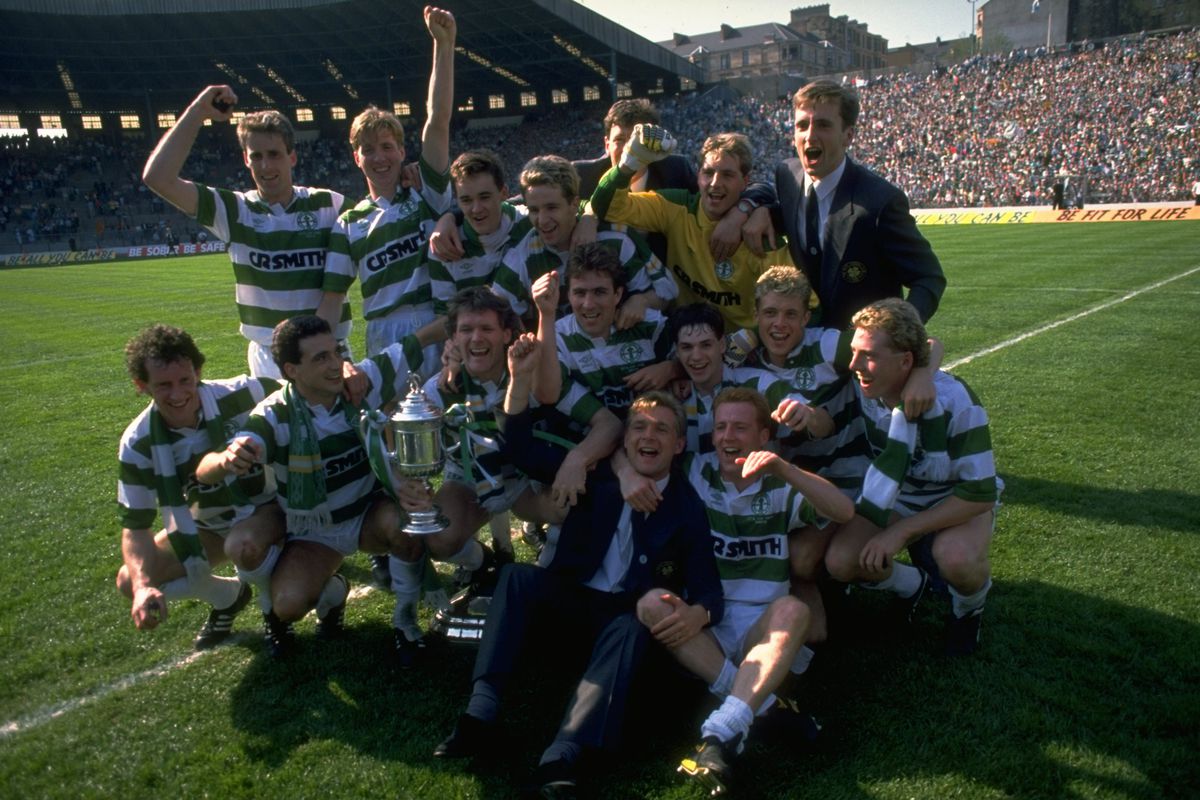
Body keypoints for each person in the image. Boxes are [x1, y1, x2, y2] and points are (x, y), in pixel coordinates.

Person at [432, 371, 723, 799]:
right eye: (639, 427)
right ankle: (480, 714)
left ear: (679, 445)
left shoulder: (686, 506)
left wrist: (698, 613)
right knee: (516, 577)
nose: (648, 436)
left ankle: (563, 754)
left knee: (631, 624)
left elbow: (709, 589)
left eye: (662, 430)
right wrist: (518, 378)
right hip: (573, 601)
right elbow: (520, 448)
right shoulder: (595, 473)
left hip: (625, 622)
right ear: (625, 440)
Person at [619, 388, 853, 795]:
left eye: (740, 428)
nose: (728, 436)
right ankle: (763, 709)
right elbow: (630, 448)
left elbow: (843, 511)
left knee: (794, 610)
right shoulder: (696, 470)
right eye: (721, 427)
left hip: (760, 629)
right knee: (652, 604)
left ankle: (721, 729)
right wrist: (625, 474)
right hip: (705, 623)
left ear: (763, 436)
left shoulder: (780, 483)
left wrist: (784, 468)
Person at [197, 315, 431, 659]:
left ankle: (406, 623)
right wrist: (226, 459)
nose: (336, 364)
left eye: (336, 352)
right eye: (321, 358)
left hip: (366, 514)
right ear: (292, 370)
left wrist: (458, 330)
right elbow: (205, 471)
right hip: (313, 530)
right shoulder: (275, 414)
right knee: (288, 606)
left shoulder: (358, 383)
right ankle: (333, 592)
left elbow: (414, 342)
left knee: (408, 523)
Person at [413, 287, 624, 657]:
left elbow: (608, 424)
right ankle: (483, 563)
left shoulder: (538, 372)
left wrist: (576, 460)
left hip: (527, 480)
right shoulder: (440, 387)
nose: (476, 338)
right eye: (466, 330)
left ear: (507, 334)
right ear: (453, 339)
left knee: (570, 504)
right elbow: (405, 444)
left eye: (486, 329)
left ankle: (552, 576)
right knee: (439, 536)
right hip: (470, 482)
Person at [821, 299, 1000, 656]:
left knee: (956, 558)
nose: (854, 365)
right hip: (898, 495)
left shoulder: (955, 400)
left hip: (955, 499)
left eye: (868, 356)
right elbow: (930, 343)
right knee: (841, 561)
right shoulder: (867, 379)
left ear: (905, 361)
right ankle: (913, 585)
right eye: (854, 352)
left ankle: (968, 611)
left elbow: (979, 493)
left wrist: (901, 531)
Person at [142, 87, 351, 378]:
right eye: (257, 156)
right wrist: (198, 111)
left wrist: (408, 175)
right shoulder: (233, 210)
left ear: (292, 157)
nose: (266, 165)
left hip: (330, 349)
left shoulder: (329, 204)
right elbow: (158, 178)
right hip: (270, 357)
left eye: (274, 154)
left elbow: (378, 218)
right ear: (245, 159)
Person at [116, 324, 280, 650]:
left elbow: (299, 393)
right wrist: (144, 585)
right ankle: (229, 596)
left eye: (185, 380)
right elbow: (135, 526)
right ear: (141, 385)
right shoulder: (138, 443)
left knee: (244, 545)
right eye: (163, 385)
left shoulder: (243, 393)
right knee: (128, 579)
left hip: (270, 509)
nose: (177, 394)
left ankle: (281, 609)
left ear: (198, 372)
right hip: (209, 523)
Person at [321, 6, 456, 374]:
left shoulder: (426, 193)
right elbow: (332, 299)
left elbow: (438, 121)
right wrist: (326, 355)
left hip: (435, 322)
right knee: (393, 411)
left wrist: (443, 46)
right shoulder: (349, 223)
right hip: (381, 331)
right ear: (356, 158)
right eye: (368, 150)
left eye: (386, 147)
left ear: (401, 150)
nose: (378, 157)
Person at [774, 80, 946, 331]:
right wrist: (748, 208)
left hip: (858, 349)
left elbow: (929, 277)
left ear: (848, 135)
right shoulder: (786, 176)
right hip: (802, 343)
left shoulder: (880, 202)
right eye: (802, 125)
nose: (809, 135)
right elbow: (767, 200)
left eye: (823, 125)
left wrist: (895, 333)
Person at [590, 127, 793, 334]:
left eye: (727, 175)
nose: (715, 183)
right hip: (685, 341)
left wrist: (752, 340)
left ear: (745, 182)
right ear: (698, 176)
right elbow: (608, 208)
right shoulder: (676, 208)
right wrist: (628, 164)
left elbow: (800, 305)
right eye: (708, 172)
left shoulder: (761, 236)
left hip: (745, 347)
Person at [491, 155, 676, 327]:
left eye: (552, 208)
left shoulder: (615, 242)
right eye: (534, 210)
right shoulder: (522, 256)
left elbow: (665, 296)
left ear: (574, 204)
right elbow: (494, 314)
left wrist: (642, 301)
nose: (543, 220)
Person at [530, 243, 675, 417]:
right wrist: (546, 313)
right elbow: (546, 395)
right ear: (568, 295)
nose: (588, 304)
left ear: (617, 294)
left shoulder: (649, 324)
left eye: (599, 292)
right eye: (580, 293)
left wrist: (671, 369)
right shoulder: (556, 336)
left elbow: (693, 361)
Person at [667, 301, 800, 454]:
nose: (696, 356)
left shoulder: (759, 384)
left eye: (706, 345)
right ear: (677, 351)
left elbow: (809, 418)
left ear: (722, 345)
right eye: (687, 347)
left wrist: (807, 415)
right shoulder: (671, 396)